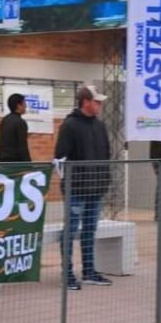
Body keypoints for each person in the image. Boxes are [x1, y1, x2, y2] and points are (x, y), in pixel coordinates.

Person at [54, 84, 112, 290]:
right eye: (96, 101)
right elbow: (59, 156)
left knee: (89, 230)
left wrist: (104, 180)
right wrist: (70, 181)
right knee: (70, 230)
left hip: (96, 188)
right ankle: (67, 273)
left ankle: (89, 270)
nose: (100, 105)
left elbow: (106, 154)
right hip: (77, 189)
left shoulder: (100, 126)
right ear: (85, 102)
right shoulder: (69, 125)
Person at [0, 93, 31, 162]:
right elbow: (22, 146)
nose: (26, 106)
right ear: (18, 106)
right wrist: (28, 163)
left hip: (3, 160)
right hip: (16, 162)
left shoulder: (4, 120)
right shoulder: (20, 122)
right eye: (24, 103)